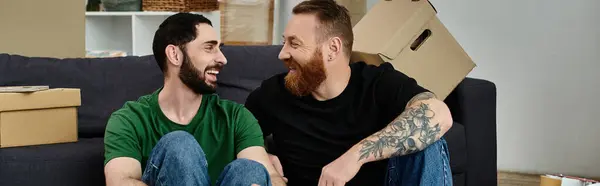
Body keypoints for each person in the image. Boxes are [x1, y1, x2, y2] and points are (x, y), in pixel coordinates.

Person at [245, 0, 454, 186]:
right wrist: (263, 158)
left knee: (427, 141)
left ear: (333, 48)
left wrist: (354, 157)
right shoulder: (274, 93)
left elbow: (439, 114)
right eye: (284, 42)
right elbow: (236, 135)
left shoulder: (377, 83)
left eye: (294, 43)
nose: (282, 54)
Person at [103, 13, 287, 186]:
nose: (222, 59)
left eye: (219, 49)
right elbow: (120, 181)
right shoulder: (129, 119)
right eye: (209, 48)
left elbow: (270, 176)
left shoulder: (236, 117)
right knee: (180, 145)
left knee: (250, 169)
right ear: (175, 55)